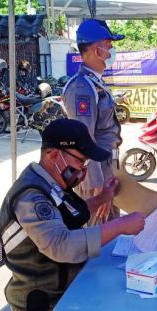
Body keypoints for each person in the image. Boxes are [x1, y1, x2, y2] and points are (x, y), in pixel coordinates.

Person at [0, 118, 146, 311]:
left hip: (58, 296)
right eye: (79, 161)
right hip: (42, 309)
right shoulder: (32, 197)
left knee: (113, 299)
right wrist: (120, 225)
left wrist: (102, 199)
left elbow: (69, 216)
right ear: (54, 155)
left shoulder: (50, 186)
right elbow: (61, 245)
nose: (83, 169)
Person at [63, 19, 124, 224]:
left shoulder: (95, 82)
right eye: (109, 45)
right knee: (98, 232)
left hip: (108, 167)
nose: (112, 50)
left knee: (113, 226)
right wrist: (97, 185)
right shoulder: (81, 88)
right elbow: (84, 139)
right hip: (97, 175)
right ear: (97, 50)